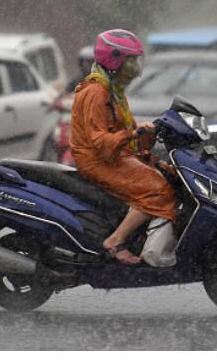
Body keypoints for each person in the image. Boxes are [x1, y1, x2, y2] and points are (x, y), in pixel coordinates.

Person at [69, 29, 177, 265]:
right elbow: (100, 143)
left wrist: (147, 137)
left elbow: (127, 137)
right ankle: (115, 241)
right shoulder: (96, 92)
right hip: (97, 161)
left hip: (115, 157)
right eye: (131, 60)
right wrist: (133, 133)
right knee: (158, 189)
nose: (136, 66)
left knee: (169, 176)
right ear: (115, 59)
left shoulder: (114, 91)